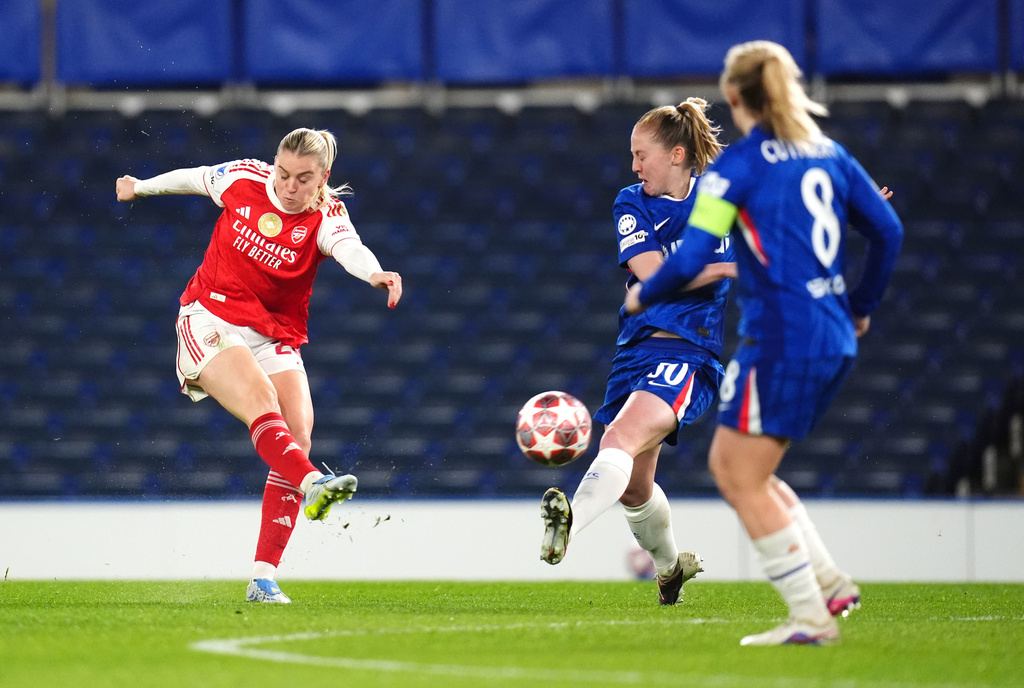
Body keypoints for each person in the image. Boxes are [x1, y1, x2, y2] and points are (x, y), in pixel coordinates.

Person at [626, 41, 903, 645]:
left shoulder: (739, 167)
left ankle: (810, 616)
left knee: (733, 472)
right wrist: (860, 307)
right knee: (754, 467)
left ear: (733, 98)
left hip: (781, 334)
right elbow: (887, 230)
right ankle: (830, 584)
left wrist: (644, 295)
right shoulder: (827, 151)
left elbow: (695, 255)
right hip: (832, 333)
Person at [115, 128, 403, 604]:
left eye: (303, 179)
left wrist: (373, 272)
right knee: (263, 403)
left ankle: (262, 579)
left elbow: (349, 247)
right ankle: (313, 483)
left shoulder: (327, 214)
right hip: (209, 317)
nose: (289, 186)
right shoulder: (245, 177)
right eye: (284, 173)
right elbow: (194, 178)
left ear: (323, 178)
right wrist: (141, 186)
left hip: (271, 333)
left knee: (299, 433)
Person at [539, 98, 736, 605]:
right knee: (633, 487)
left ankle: (570, 522)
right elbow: (653, 274)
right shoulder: (633, 202)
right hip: (634, 353)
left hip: (688, 353)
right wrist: (724, 269)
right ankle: (670, 569)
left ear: (675, 154)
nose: (633, 165)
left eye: (640, 154)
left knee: (620, 439)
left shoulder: (718, 201)